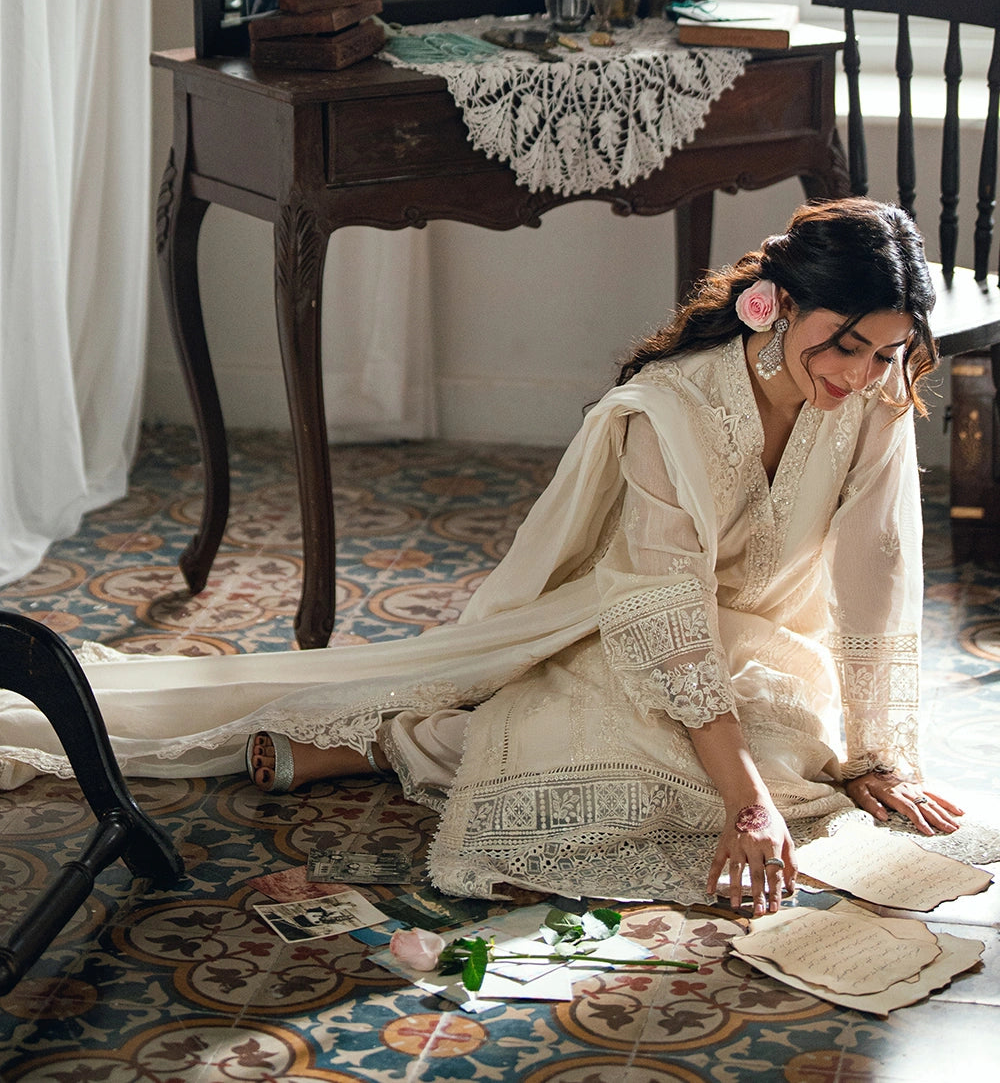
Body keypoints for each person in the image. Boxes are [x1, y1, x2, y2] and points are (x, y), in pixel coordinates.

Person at [0, 200, 967, 915]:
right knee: (647, 778)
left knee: (805, 764)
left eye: (886, 353)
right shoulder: (667, 411)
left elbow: (876, 572)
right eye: (846, 345)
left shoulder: (876, 401)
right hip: (626, 629)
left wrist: (876, 752)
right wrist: (745, 802)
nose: (860, 377)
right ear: (779, 304)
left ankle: (393, 744)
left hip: (767, 646)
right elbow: (662, 612)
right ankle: (389, 739)